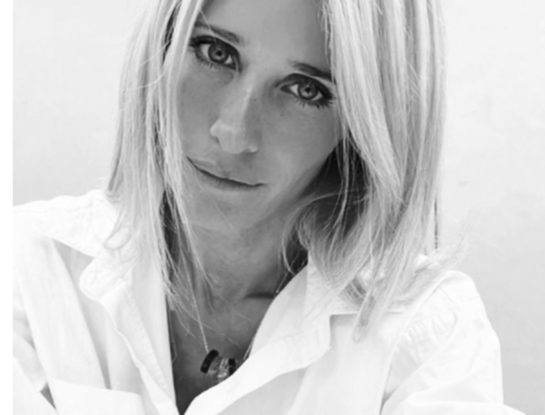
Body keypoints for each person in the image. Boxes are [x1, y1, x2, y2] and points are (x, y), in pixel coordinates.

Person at [13, 0, 525, 414]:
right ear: (162, 47)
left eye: (306, 90)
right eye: (216, 53)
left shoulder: (425, 333)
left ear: (366, 124)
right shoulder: (27, 268)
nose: (234, 134)